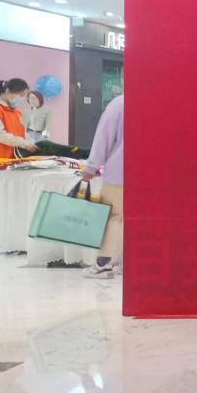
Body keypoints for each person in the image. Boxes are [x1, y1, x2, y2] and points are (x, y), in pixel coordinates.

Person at [82, 95, 125, 279]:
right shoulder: (154, 102)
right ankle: (128, 263)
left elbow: (103, 138)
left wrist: (91, 167)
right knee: (137, 219)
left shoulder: (120, 104)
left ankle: (103, 264)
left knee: (113, 217)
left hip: (120, 173)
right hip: (149, 175)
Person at [0, 78, 38, 159]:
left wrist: (31, 142)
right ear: (8, 92)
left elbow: (22, 132)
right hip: (1, 158)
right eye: (21, 95)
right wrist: (23, 143)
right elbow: (0, 135)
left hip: (14, 157)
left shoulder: (17, 111)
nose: (22, 99)